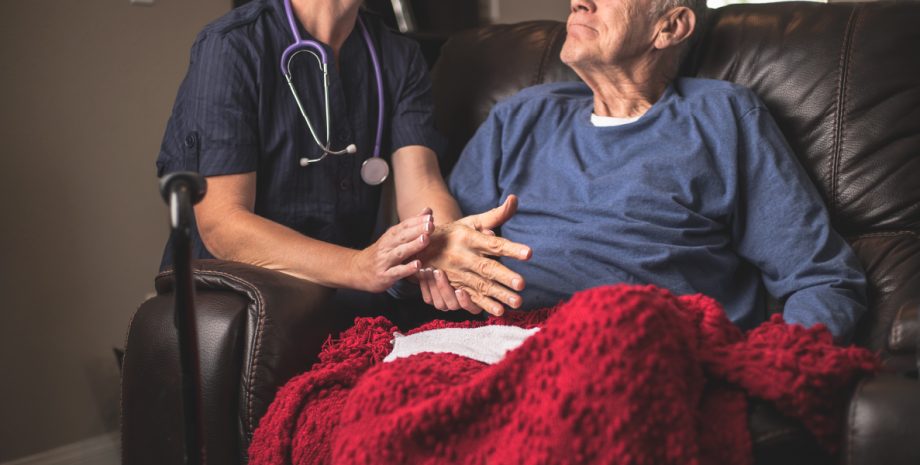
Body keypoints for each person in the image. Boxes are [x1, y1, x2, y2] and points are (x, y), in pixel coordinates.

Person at [442, 0, 867, 341]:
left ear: (670, 27)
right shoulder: (520, 115)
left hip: (647, 346)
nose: (578, 3)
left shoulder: (722, 115)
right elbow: (441, 253)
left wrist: (777, 364)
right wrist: (424, 269)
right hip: (501, 339)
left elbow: (821, 278)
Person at [155, 0, 532, 316]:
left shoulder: (398, 56)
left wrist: (446, 245)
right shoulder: (231, 47)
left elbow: (423, 185)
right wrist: (357, 266)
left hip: (336, 295)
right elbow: (223, 225)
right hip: (235, 302)